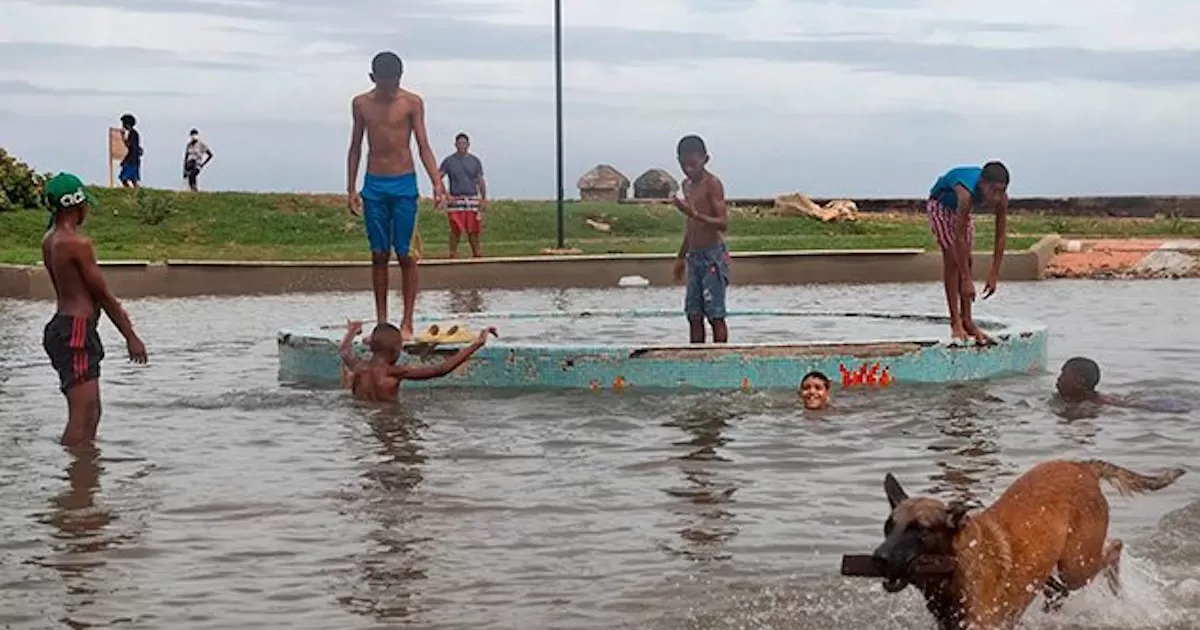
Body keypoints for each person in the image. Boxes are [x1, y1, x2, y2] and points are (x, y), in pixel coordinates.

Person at [41, 173, 149, 446]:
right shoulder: (77, 244)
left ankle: (85, 479)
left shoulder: (50, 240)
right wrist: (130, 336)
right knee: (83, 414)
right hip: (75, 331)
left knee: (91, 412)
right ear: (77, 205)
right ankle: (74, 481)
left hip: (64, 328)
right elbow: (103, 295)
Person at [347, 51, 447, 338]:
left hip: (404, 183)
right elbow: (355, 146)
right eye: (384, 83)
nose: (390, 89)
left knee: (405, 254)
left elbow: (423, 146)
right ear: (373, 78)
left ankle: (407, 322)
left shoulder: (411, 103)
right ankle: (381, 321)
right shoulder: (361, 104)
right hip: (374, 184)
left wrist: (437, 183)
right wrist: (351, 188)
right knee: (379, 254)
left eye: (394, 83)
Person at [926, 161, 1010, 343]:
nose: (996, 197)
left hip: (962, 213)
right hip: (940, 206)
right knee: (953, 259)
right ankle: (955, 322)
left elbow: (1001, 236)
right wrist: (966, 280)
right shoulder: (965, 194)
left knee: (967, 260)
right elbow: (959, 238)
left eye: (1001, 191)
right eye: (993, 190)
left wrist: (994, 274)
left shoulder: (1002, 198)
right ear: (982, 184)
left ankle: (968, 321)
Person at [339, 320, 496, 401]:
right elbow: (440, 370)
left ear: (371, 347)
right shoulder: (394, 372)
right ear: (395, 350)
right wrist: (476, 344)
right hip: (391, 420)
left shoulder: (358, 366)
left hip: (363, 417)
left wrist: (352, 330)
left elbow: (344, 350)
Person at [671, 134, 730, 344]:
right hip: (694, 256)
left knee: (715, 314)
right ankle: (696, 357)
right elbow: (691, 226)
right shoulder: (686, 185)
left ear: (705, 159)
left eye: (692, 164)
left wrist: (693, 213)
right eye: (683, 164)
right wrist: (680, 257)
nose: (687, 169)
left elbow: (722, 223)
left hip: (712, 256)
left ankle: (720, 358)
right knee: (694, 314)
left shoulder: (712, 184)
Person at [439, 132, 488, 258]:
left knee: (473, 228)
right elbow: (438, 177)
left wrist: (483, 198)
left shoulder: (475, 161)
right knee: (456, 227)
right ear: (455, 144)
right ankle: (452, 253)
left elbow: (480, 180)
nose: (462, 145)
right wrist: (446, 194)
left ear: (468, 144)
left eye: (464, 143)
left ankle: (476, 252)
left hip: (471, 198)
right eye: (459, 143)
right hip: (456, 198)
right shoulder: (449, 161)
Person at [118, 113, 143, 188]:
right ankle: (132, 191)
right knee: (131, 179)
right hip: (133, 159)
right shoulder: (134, 133)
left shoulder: (133, 133)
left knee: (125, 178)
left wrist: (122, 136)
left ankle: (131, 190)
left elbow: (130, 146)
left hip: (132, 160)